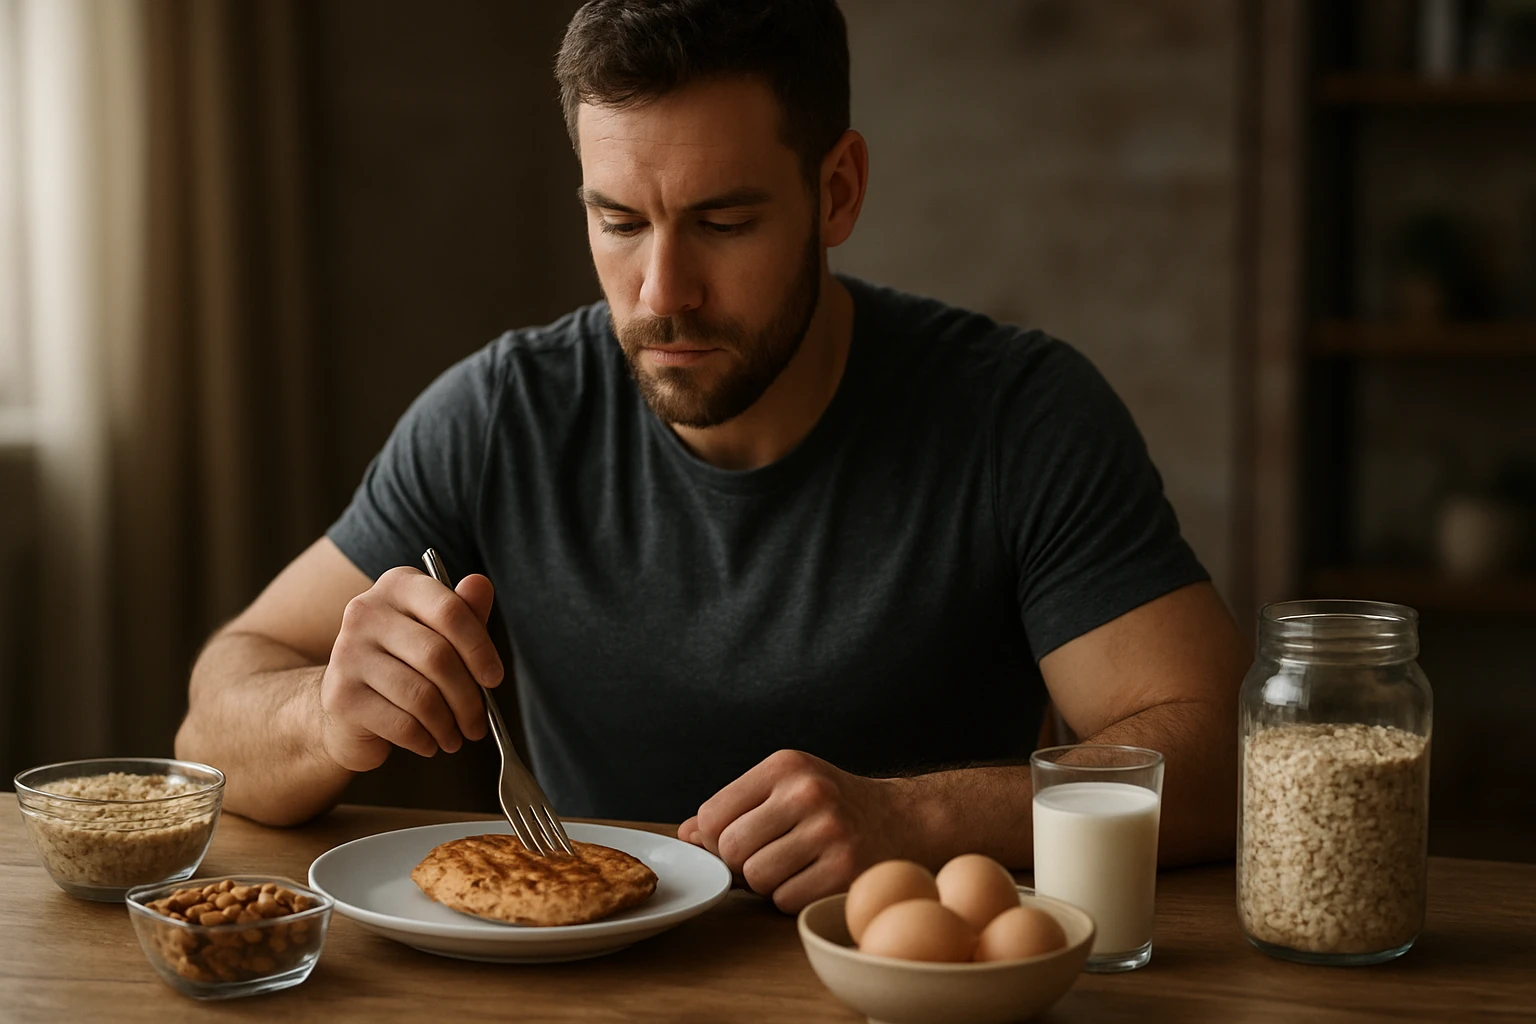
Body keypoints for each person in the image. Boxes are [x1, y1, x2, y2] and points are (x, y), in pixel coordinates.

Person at [176, 0, 1251, 913]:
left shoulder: (1019, 414)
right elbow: (212, 726)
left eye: (723, 221)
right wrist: (325, 713)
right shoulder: (502, 413)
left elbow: (1229, 756)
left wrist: (916, 816)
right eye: (620, 221)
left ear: (837, 191)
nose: (661, 294)